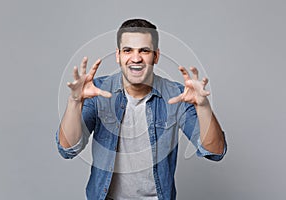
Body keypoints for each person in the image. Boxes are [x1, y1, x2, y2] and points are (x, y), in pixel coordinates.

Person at [56, 19, 227, 200]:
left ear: (156, 56)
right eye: (128, 50)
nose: (136, 58)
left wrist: (203, 106)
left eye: (144, 51)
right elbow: (68, 149)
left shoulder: (177, 95)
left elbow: (214, 152)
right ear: (118, 55)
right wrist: (75, 102)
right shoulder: (97, 91)